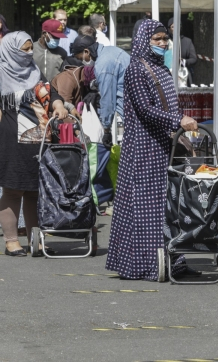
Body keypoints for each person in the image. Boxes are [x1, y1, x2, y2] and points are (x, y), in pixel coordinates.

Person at [105, 19, 198, 280]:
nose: (162, 42)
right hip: (144, 149)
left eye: (164, 38)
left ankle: (174, 262)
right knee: (146, 208)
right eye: (156, 39)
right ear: (144, 40)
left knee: (169, 207)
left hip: (163, 146)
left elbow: (169, 106)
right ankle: (145, 265)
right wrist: (177, 121)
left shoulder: (162, 69)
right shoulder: (136, 70)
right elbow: (145, 109)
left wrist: (180, 123)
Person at [0, 31, 69, 256]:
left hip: (39, 139)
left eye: (31, 48)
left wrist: (58, 104)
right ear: (11, 49)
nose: (29, 53)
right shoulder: (1, 73)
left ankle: (35, 239)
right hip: (11, 139)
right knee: (12, 190)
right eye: (24, 49)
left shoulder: (34, 71)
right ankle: (11, 241)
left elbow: (50, 91)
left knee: (34, 192)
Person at [71, 34, 130, 147]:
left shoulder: (103, 65)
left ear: (87, 52)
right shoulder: (111, 50)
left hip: (130, 111)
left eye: (80, 58)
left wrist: (106, 130)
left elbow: (107, 100)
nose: (82, 62)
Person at [167, 17, 198, 86]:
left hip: (183, 75)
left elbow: (194, 59)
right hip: (167, 74)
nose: (176, 29)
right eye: (173, 27)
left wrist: (183, 61)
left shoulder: (187, 41)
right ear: (169, 29)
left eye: (178, 26)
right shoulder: (165, 42)